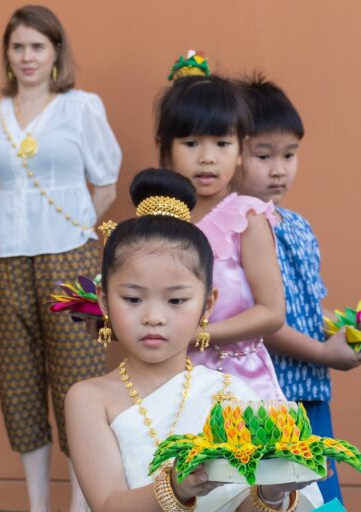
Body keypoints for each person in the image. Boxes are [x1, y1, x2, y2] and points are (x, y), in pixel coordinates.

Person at [65, 168, 323, 511]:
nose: (153, 316)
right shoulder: (90, 398)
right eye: (132, 299)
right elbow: (108, 504)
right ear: (102, 300)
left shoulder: (233, 396)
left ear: (208, 304)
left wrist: (271, 493)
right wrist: (176, 485)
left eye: (175, 301)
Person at [0, 6, 121, 511]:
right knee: (16, 381)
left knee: (78, 380)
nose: (27, 56)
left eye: (38, 46)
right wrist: (17, 225)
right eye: (18, 46)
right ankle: (36, 504)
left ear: (55, 53)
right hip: (2, 259)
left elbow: (107, 186)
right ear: (7, 54)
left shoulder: (81, 108)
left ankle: (80, 502)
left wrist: (69, 231)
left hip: (68, 259)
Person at [232, 76, 361, 504]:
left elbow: (303, 308)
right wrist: (324, 353)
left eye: (290, 155)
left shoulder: (296, 225)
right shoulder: (234, 229)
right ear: (230, 152)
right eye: (264, 155)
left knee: (322, 494)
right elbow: (260, 319)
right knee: (276, 497)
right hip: (266, 397)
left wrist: (358, 328)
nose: (279, 168)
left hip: (310, 390)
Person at [155, 64, 287, 401]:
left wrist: (197, 335)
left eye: (222, 143)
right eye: (191, 143)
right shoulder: (158, 219)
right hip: (170, 383)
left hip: (238, 385)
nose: (208, 158)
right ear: (165, 148)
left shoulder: (247, 218)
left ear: (241, 149)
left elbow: (271, 313)